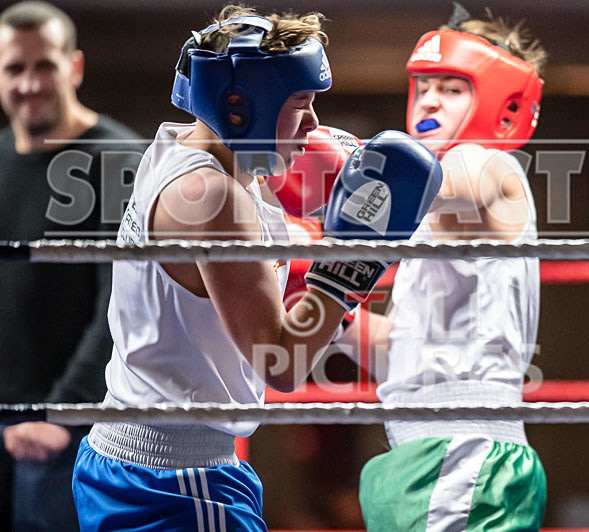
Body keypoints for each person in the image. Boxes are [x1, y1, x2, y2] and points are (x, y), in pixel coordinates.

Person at [70, 5, 441, 531]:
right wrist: (352, 260)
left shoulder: (192, 153)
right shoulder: (212, 195)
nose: (315, 124)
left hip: (143, 457)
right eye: (302, 104)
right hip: (175, 477)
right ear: (243, 106)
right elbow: (280, 362)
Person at [350, 4, 548, 530]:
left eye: (452, 88)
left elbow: (438, 184)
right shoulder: (428, 214)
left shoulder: (482, 163)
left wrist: (335, 176)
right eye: (424, 87)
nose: (430, 100)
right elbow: (405, 351)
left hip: (465, 455)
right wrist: (325, 296)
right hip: (425, 450)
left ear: (496, 102)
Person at [0, 2, 142, 530]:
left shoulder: (118, 160)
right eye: (15, 67)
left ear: (74, 67)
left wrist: (63, 413)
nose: (30, 83)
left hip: (72, 435)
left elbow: (125, 299)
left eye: (45, 66)